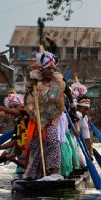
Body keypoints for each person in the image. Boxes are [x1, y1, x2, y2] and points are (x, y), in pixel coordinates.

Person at [24, 51, 65, 180]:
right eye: (48, 69)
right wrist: (37, 115)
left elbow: (60, 107)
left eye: (52, 69)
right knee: (36, 147)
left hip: (51, 121)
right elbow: (29, 105)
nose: (51, 71)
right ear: (42, 71)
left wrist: (52, 119)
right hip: (37, 121)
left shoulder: (57, 85)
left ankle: (54, 173)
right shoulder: (35, 86)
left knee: (53, 143)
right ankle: (33, 176)